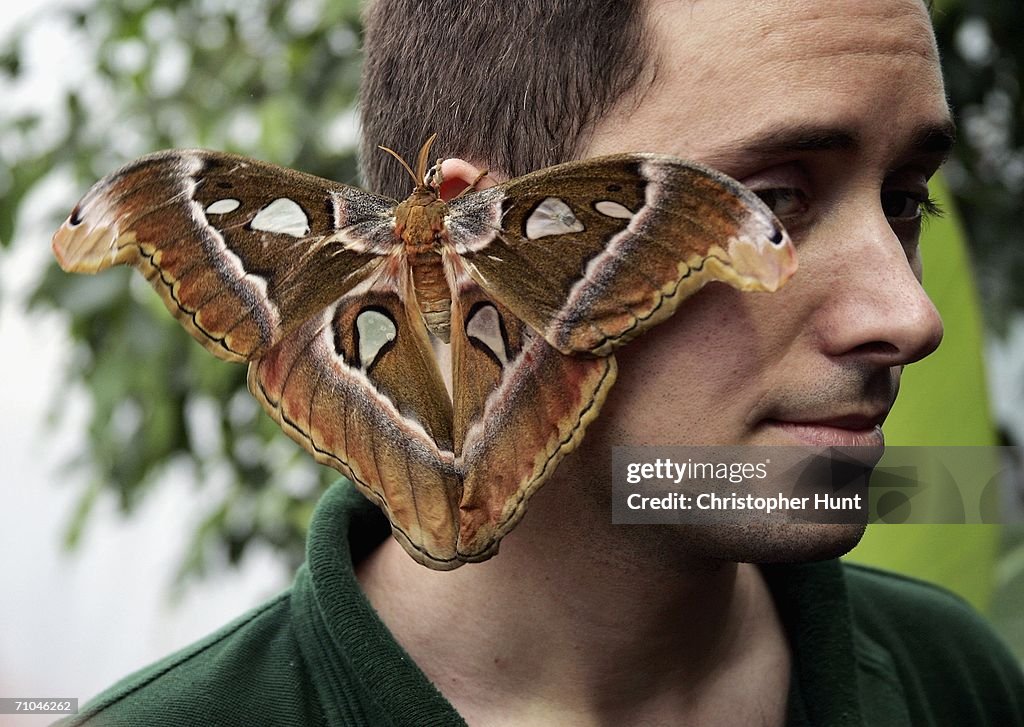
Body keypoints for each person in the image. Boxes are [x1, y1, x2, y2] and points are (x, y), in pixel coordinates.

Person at [60, 0, 1024, 725]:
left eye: (908, 199)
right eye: (771, 198)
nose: (911, 314)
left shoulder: (960, 683)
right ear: (479, 203)